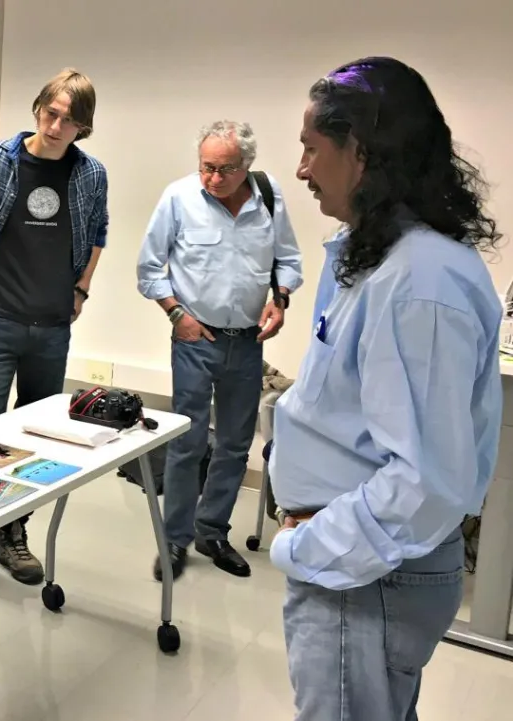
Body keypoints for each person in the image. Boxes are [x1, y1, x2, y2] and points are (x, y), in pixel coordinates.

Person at [272, 57, 503, 721]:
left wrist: (306, 544)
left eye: (313, 151)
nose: (303, 170)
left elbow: (427, 482)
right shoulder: (375, 255)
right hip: (360, 564)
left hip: (366, 575)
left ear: (363, 154)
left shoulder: (419, 283)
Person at [0, 68, 109, 603]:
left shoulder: (90, 173)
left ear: (83, 127)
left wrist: (81, 290)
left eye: (69, 120)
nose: (56, 127)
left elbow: (98, 230)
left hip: (53, 325)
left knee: (36, 442)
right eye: (50, 113)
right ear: (37, 109)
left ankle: (14, 535)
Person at [136, 121, 303, 581]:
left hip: (248, 342)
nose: (213, 178)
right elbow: (149, 268)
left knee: (233, 443)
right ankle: (174, 541)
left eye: (224, 169)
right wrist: (176, 315)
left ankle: (212, 532)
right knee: (187, 443)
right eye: (206, 167)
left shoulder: (268, 197)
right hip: (195, 339)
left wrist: (281, 298)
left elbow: (288, 260)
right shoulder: (179, 197)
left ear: (246, 165)